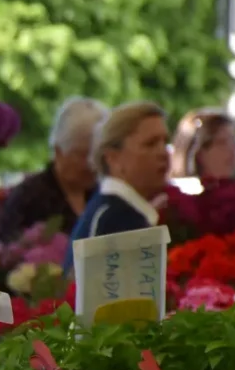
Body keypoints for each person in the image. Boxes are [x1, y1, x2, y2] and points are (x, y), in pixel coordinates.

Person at [64, 101, 170, 272]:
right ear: (113, 158)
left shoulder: (118, 211)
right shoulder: (112, 219)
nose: (163, 153)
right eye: (150, 144)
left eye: (165, 142)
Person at [0, 97, 107, 241]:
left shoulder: (104, 195)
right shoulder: (29, 198)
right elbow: (8, 252)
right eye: (83, 155)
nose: (92, 164)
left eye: (97, 155)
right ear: (58, 151)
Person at [170, 108, 235, 183]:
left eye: (234, 141)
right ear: (198, 153)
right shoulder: (179, 192)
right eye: (221, 143)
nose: (233, 149)